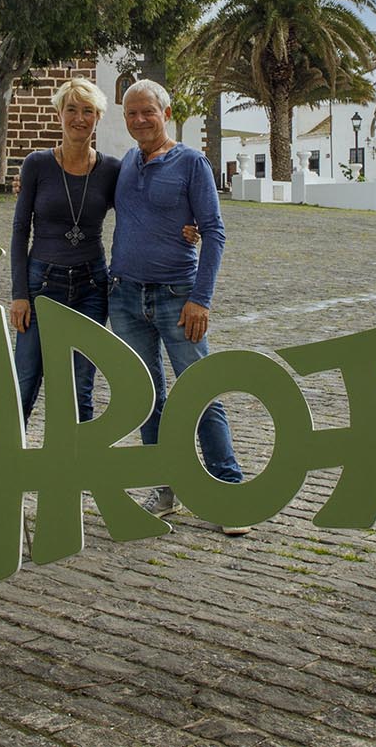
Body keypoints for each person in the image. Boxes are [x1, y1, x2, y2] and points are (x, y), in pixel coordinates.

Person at [6, 77, 199, 429]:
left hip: (90, 287)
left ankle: (77, 474)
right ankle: (6, 470)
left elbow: (145, 204)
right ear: (59, 114)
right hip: (40, 283)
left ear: (98, 117)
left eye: (89, 111)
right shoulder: (36, 164)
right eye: (72, 110)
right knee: (24, 379)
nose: (79, 118)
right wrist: (19, 294)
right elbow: (20, 231)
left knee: (81, 386)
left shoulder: (112, 168)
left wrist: (189, 226)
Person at [107, 78, 249, 534]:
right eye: (131, 113)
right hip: (126, 298)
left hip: (177, 298)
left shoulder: (191, 162)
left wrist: (200, 299)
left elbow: (214, 231)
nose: (140, 120)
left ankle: (229, 491)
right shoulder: (126, 163)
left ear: (166, 114)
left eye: (147, 111)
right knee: (148, 398)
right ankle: (165, 488)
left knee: (200, 391)